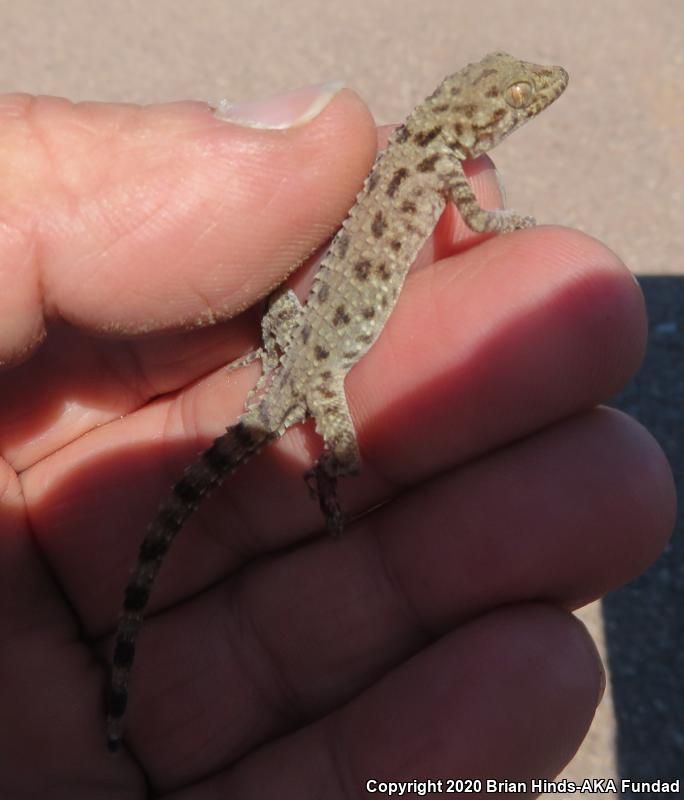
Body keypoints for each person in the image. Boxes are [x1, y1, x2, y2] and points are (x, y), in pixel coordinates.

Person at [0, 83, 674, 798]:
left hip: (300, 349)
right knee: (344, 459)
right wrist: (504, 221)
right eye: (517, 100)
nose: (530, 101)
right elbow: (478, 216)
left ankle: (299, 498)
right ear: (479, 119)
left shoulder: (413, 161)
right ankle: (321, 488)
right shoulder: (443, 171)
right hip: (317, 374)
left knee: (284, 451)